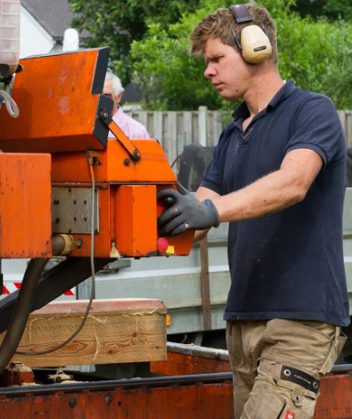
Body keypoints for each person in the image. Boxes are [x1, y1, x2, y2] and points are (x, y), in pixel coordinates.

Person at [157, 4, 348, 418]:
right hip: (242, 319)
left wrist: (211, 209)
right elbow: (199, 215)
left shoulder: (312, 111)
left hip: (300, 319)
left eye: (216, 59)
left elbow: (292, 183)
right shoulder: (232, 134)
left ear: (256, 49)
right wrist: (150, 221)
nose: (208, 71)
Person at [104, 70, 150, 139]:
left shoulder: (137, 132)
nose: (100, 100)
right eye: (96, 96)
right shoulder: (86, 129)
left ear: (119, 96)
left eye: (106, 96)